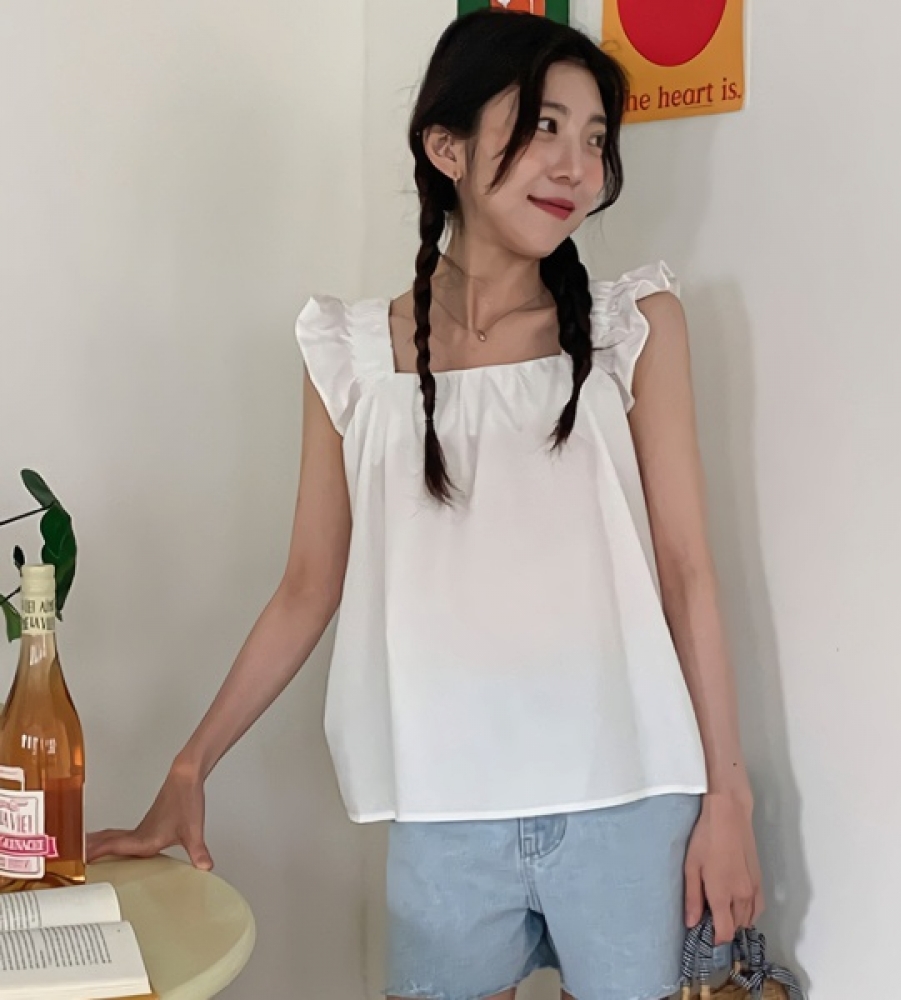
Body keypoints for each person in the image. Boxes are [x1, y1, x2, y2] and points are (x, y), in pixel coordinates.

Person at [89, 10, 764, 1000]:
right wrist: (191, 766)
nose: (577, 166)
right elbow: (306, 588)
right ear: (446, 147)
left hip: (632, 796)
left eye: (594, 139)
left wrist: (728, 800)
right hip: (443, 809)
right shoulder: (353, 356)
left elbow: (686, 571)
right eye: (544, 126)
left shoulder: (634, 328)